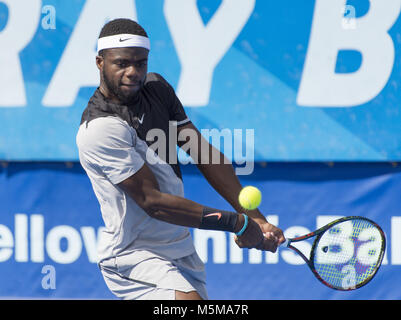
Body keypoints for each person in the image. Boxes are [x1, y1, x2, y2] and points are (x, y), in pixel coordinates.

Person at [76, 18, 285, 300]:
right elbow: (154, 204)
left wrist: (255, 218)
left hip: (181, 249)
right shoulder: (101, 128)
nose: (133, 72)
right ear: (100, 62)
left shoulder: (158, 89)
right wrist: (236, 223)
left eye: (140, 63)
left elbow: (203, 153)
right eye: (122, 63)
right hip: (134, 257)